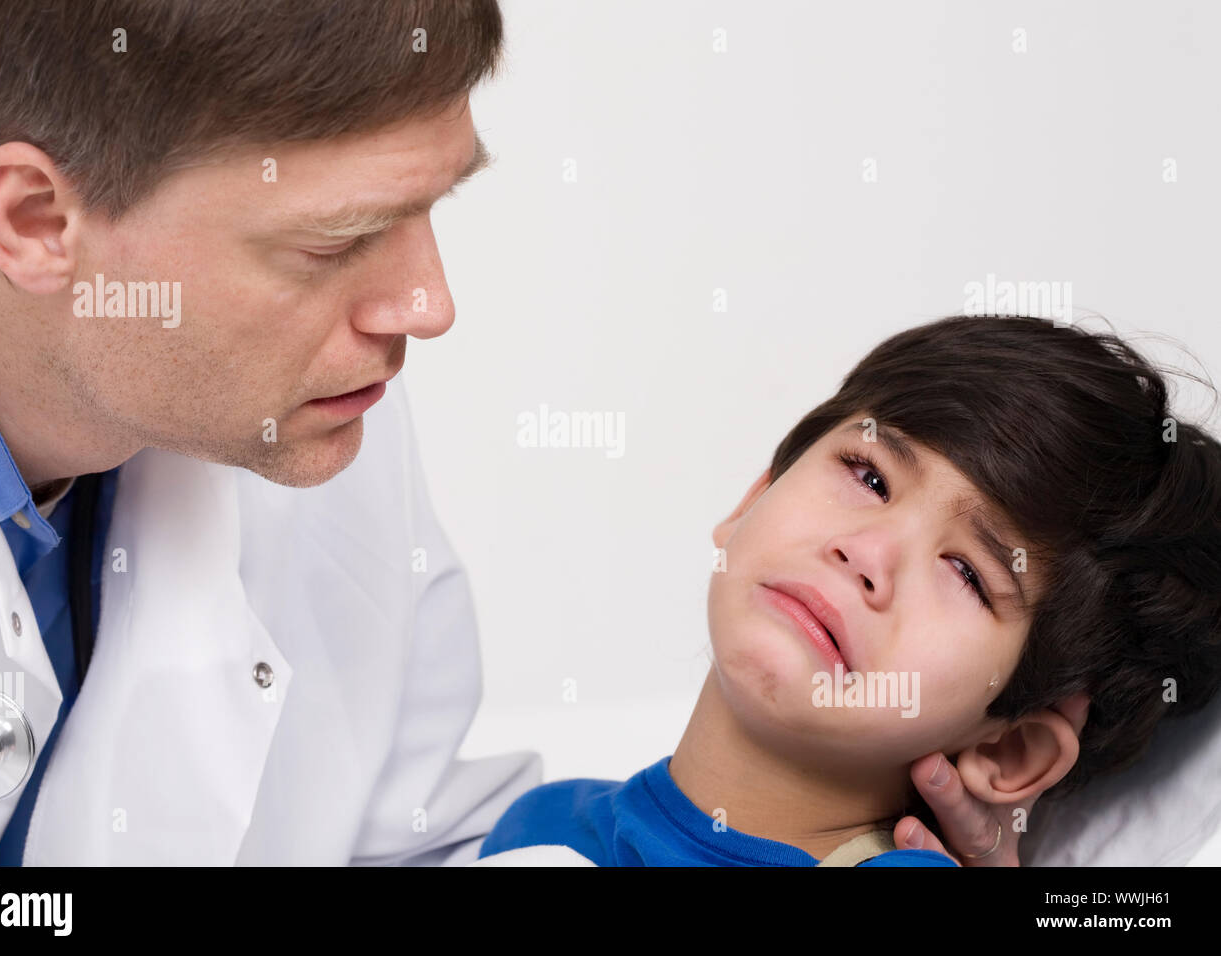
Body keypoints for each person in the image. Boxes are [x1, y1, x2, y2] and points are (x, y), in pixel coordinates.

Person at [0, 0, 1059, 866]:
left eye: (434, 206)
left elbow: (408, 839)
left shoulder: (303, 414)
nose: (427, 304)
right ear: (34, 220)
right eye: (334, 243)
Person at [478, 315, 1221, 866]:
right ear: (752, 501)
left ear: (1013, 749)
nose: (867, 554)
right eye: (869, 477)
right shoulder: (539, 828)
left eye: (967, 572)